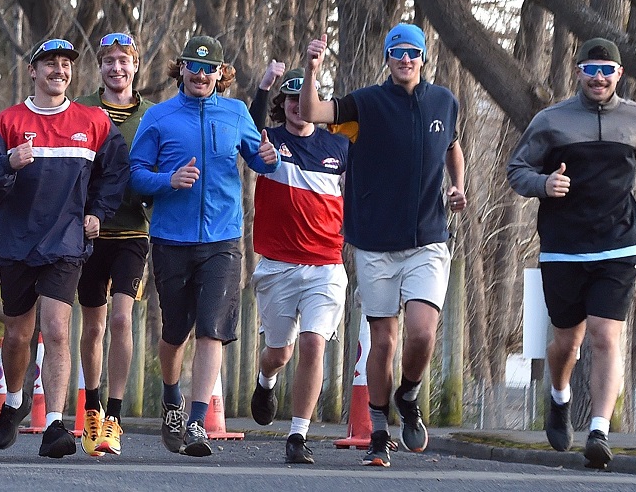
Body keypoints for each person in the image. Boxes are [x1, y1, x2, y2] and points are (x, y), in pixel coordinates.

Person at [298, 25, 465, 467]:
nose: (405, 59)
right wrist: (313, 68)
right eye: (397, 52)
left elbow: (452, 145)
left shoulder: (444, 101)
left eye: (412, 52)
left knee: (423, 331)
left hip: (428, 237)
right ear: (387, 57)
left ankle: (407, 393)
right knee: (382, 341)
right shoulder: (365, 103)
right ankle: (378, 425)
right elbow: (312, 110)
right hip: (374, 242)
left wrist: (458, 186)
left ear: (423, 58)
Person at [506, 38, 636, 470]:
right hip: (564, 245)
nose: (599, 77)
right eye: (591, 68)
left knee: (605, 333)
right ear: (578, 71)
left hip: (620, 241)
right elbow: (517, 169)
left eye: (608, 69)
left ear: (619, 75)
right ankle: (559, 397)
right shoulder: (551, 120)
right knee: (568, 339)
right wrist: (543, 185)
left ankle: (598, 430)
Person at [0, 38, 126, 459]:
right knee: (18, 335)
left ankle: (55, 424)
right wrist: (7, 164)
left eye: (65, 64)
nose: (59, 70)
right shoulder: (7, 124)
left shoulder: (93, 121)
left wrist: (98, 212)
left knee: (56, 329)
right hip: (15, 245)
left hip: (65, 242)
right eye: (49, 63)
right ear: (32, 71)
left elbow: (116, 170)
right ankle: (14, 403)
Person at [130, 36, 280, 458]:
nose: (201, 75)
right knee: (175, 331)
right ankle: (171, 397)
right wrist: (167, 180)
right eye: (193, 68)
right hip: (171, 238)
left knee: (213, 328)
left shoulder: (235, 114)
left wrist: (270, 157)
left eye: (208, 69)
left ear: (220, 74)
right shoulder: (159, 117)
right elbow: (136, 174)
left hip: (223, 240)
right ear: (182, 70)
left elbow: (259, 160)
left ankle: (196, 421)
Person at [243, 67, 351, 464]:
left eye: (302, 98)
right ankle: (265, 380)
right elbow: (245, 135)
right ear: (282, 105)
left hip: (325, 264)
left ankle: (297, 436)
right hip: (278, 265)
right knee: (279, 352)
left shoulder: (339, 147)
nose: (296, 106)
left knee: (313, 343)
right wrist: (262, 86)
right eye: (289, 99)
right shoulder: (268, 140)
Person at [71, 32, 156, 456]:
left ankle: (115, 417)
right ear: (100, 67)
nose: (117, 68)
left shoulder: (152, 115)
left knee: (122, 319)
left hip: (132, 228)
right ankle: (92, 405)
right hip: (88, 228)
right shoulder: (81, 109)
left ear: (135, 66)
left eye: (124, 60)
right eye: (109, 61)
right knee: (94, 323)